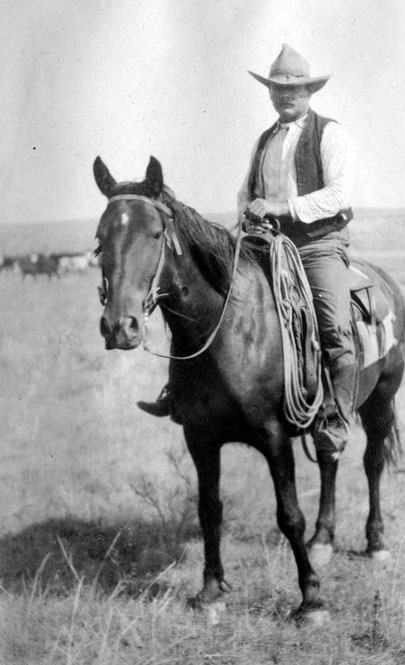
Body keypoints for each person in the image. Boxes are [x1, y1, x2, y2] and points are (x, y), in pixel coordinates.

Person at [139, 44, 356, 457]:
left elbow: (339, 195)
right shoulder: (264, 141)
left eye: (293, 88)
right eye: (277, 88)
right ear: (270, 93)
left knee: (333, 324)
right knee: (208, 303)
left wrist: (281, 207)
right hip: (265, 244)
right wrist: (248, 217)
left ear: (310, 92)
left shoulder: (330, 133)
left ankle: (335, 417)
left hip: (316, 245)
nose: (285, 95)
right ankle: (183, 389)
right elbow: (245, 192)